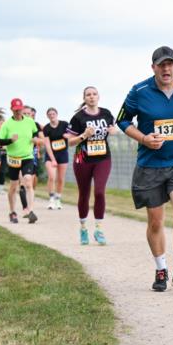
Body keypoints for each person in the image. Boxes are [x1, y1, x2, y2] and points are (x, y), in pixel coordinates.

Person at [117, 46, 173, 293]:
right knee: (156, 222)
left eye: (170, 64)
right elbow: (122, 120)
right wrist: (144, 138)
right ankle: (160, 268)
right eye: (161, 65)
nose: (166, 69)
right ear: (153, 67)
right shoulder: (139, 90)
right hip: (150, 165)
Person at [67, 88, 117, 244]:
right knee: (84, 193)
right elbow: (69, 142)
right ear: (84, 98)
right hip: (82, 159)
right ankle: (83, 228)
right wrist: (84, 135)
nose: (92, 97)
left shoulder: (107, 113)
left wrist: (114, 130)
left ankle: (99, 229)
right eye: (88, 95)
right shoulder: (78, 117)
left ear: (99, 97)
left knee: (100, 192)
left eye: (94, 94)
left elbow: (113, 128)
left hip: (102, 158)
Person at [0, 98, 40, 224]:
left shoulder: (30, 122)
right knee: (14, 186)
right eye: (15, 110)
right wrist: (10, 140)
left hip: (27, 157)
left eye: (20, 109)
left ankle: (31, 211)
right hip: (13, 159)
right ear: (11, 110)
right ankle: (12, 211)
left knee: (28, 181)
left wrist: (35, 139)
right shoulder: (7, 124)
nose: (18, 112)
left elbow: (35, 133)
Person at [41, 108, 69, 210]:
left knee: (60, 179)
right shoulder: (46, 128)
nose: (52, 115)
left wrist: (67, 136)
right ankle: (51, 199)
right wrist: (53, 159)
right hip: (51, 155)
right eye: (49, 114)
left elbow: (71, 134)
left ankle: (58, 199)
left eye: (53, 113)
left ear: (57, 114)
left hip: (63, 154)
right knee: (52, 177)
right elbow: (47, 145)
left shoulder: (64, 124)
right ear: (47, 116)